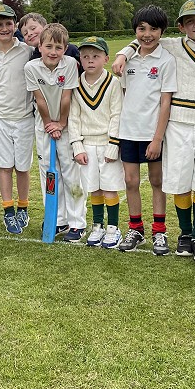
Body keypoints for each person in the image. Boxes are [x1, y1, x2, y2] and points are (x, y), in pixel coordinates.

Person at [113, 0, 195, 261]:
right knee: (176, 181)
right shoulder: (172, 46)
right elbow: (140, 41)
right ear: (180, 27)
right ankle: (182, 234)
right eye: (190, 21)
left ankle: (194, 235)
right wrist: (122, 53)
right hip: (172, 126)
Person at [113, 6, 177, 253]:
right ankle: (135, 228)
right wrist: (123, 54)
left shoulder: (166, 61)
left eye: (153, 29)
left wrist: (157, 139)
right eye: (142, 29)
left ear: (162, 31)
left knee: (156, 181)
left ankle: (159, 231)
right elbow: (127, 94)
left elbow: (165, 102)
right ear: (135, 31)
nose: (147, 34)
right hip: (128, 131)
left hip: (153, 134)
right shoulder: (127, 60)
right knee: (130, 181)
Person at [24, 23, 86, 241]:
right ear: (39, 46)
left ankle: (77, 222)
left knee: (71, 174)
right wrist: (49, 124)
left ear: (65, 48)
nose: (53, 52)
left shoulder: (70, 64)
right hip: (44, 126)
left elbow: (66, 97)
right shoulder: (31, 68)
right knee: (48, 175)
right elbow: (39, 99)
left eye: (58, 47)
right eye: (48, 46)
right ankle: (57, 220)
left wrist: (60, 123)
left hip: (66, 125)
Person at [0, 4, 34, 234]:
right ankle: (8, 211)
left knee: (22, 167)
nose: (4, 28)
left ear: (15, 25)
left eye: (8, 23)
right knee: (5, 167)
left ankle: (23, 207)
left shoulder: (27, 50)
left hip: (23, 117)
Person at [68, 36, 124, 249]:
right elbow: (73, 117)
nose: (90, 60)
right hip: (86, 145)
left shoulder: (113, 83)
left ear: (106, 59)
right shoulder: (76, 85)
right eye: (85, 56)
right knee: (93, 189)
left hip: (108, 144)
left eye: (96, 56)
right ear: (80, 60)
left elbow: (117, 115)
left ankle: (113, 228)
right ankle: (97, 225)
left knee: (110, 188)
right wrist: (77, 145)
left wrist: (113, 144)